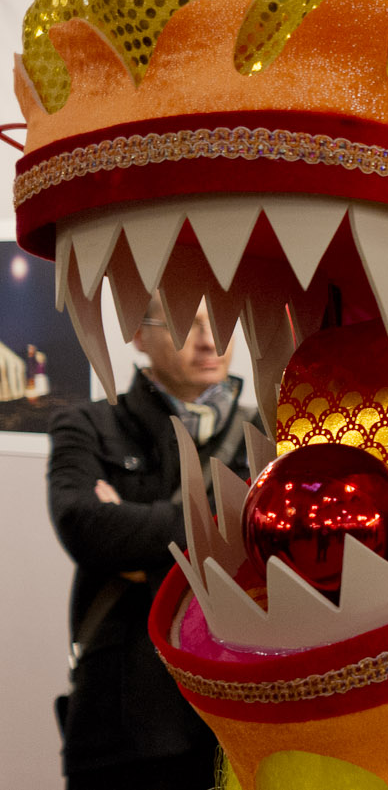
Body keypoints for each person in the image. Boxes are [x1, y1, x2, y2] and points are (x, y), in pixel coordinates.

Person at [47, 303, 256, 790]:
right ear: (139, 335)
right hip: (119, 719)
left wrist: (140, 547)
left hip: (235, 715)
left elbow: (266, 553)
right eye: (188, 325)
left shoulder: (264, 430)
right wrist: (216, 532)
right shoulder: (88, 425)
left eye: (220, 324)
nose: (209, 342)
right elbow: (87, 528)